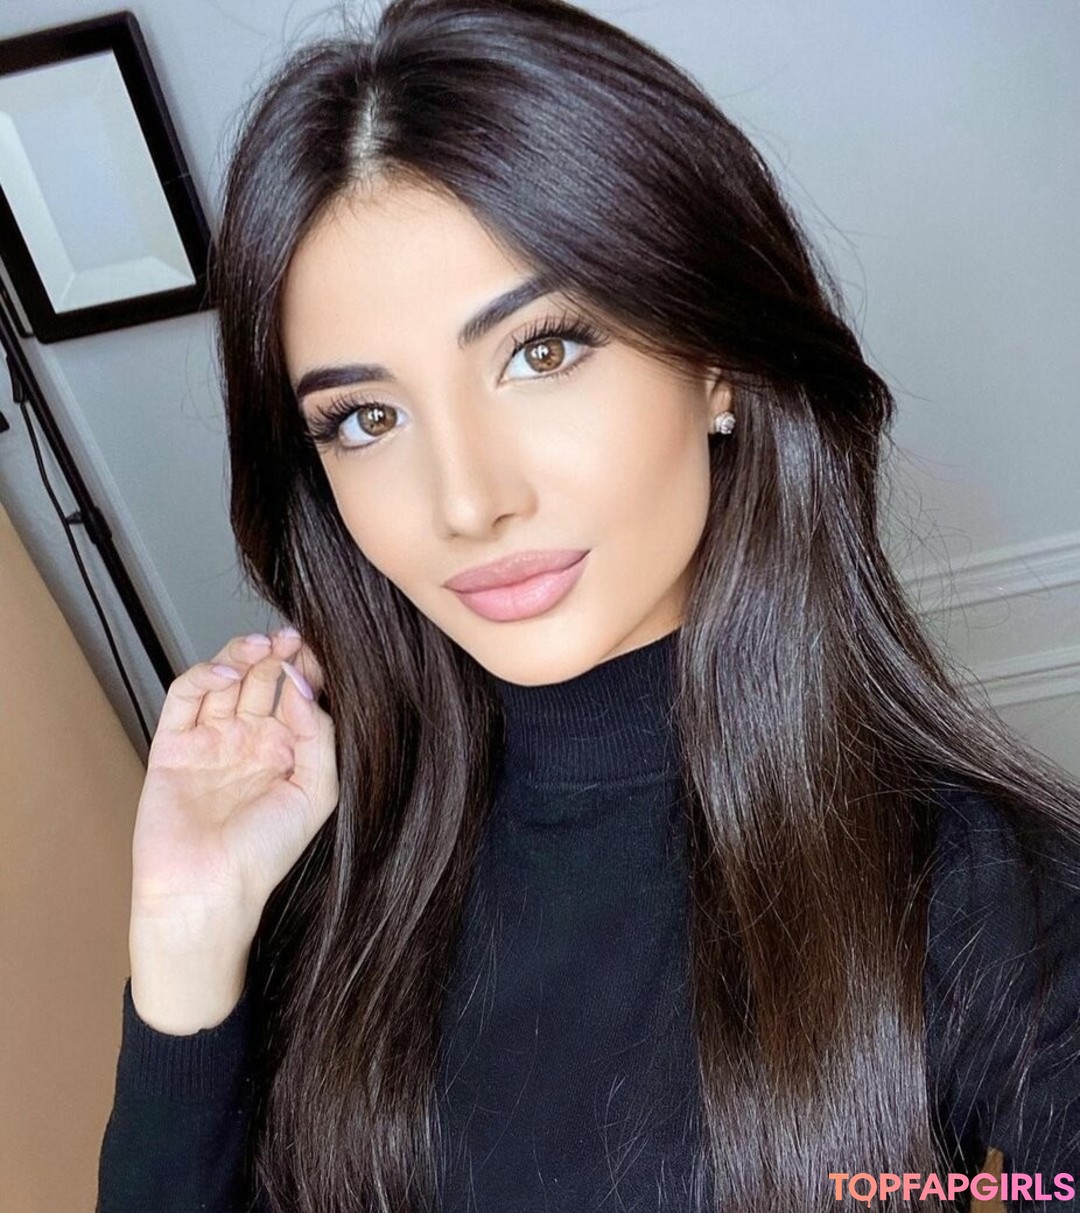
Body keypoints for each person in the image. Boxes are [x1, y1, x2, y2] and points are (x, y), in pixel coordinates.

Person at [96, 0, 1080, 1210]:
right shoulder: (322, 873)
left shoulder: (989, 897)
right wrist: (187, 935)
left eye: (543, 351)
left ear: (716, 360)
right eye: (366, 417)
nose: (468, 501)